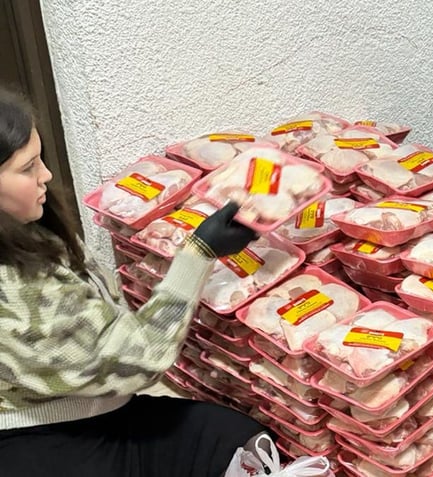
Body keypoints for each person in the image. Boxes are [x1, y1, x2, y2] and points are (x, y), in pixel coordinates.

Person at [0, 88, 269, 476]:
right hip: (42, 433)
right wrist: (199, 253)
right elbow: (137, 359)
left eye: (40, 159)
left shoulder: (30, 229)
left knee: (239, 439)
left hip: (97, 404)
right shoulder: (13, 288)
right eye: (27, 168)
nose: (47, 175)